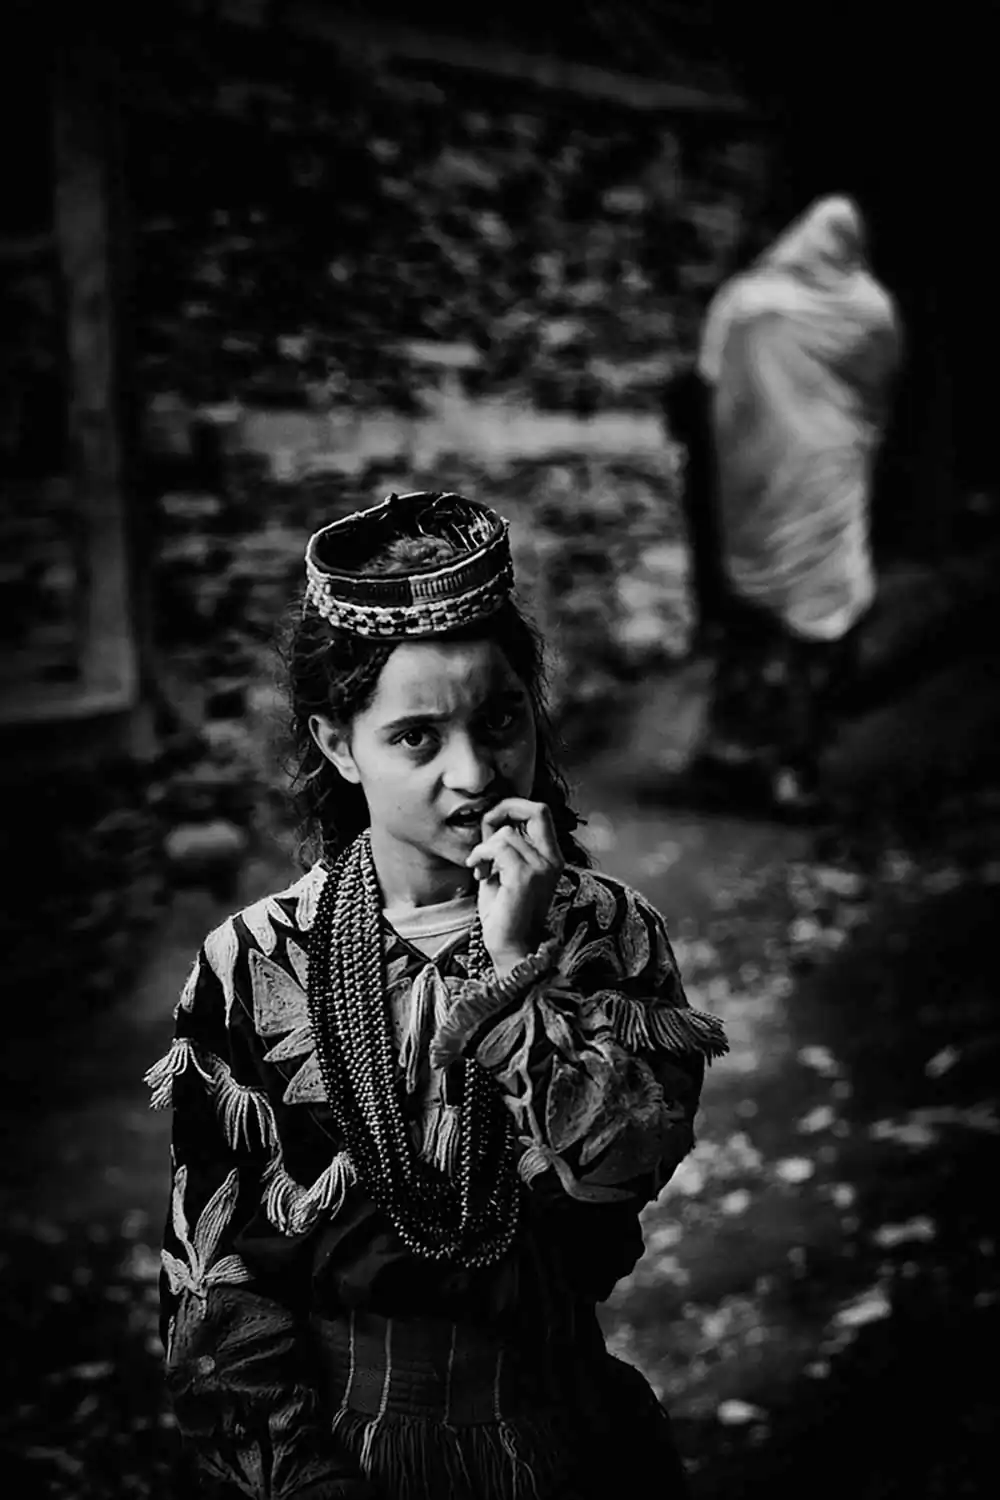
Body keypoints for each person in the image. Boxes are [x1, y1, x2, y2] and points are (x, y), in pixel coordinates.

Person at [145, 489, 728, 1500]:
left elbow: (618, 1175)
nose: (474, 773)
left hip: (566, 1438)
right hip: (344, 1453)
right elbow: (214, 1285)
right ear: (339, 744)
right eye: (416, 737)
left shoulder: (606, 931)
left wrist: (515, 967)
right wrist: (301, 1480)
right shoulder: (251, 962)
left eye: (500, 719)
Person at [694, 195, 902, 811]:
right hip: (831, 477)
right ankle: (795, 755)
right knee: (822, 616)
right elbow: (882, 383)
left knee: (754, 617)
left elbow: (710, 375)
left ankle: (742, 745)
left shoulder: (748, 301)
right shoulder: (870, 307)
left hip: (754, 483)